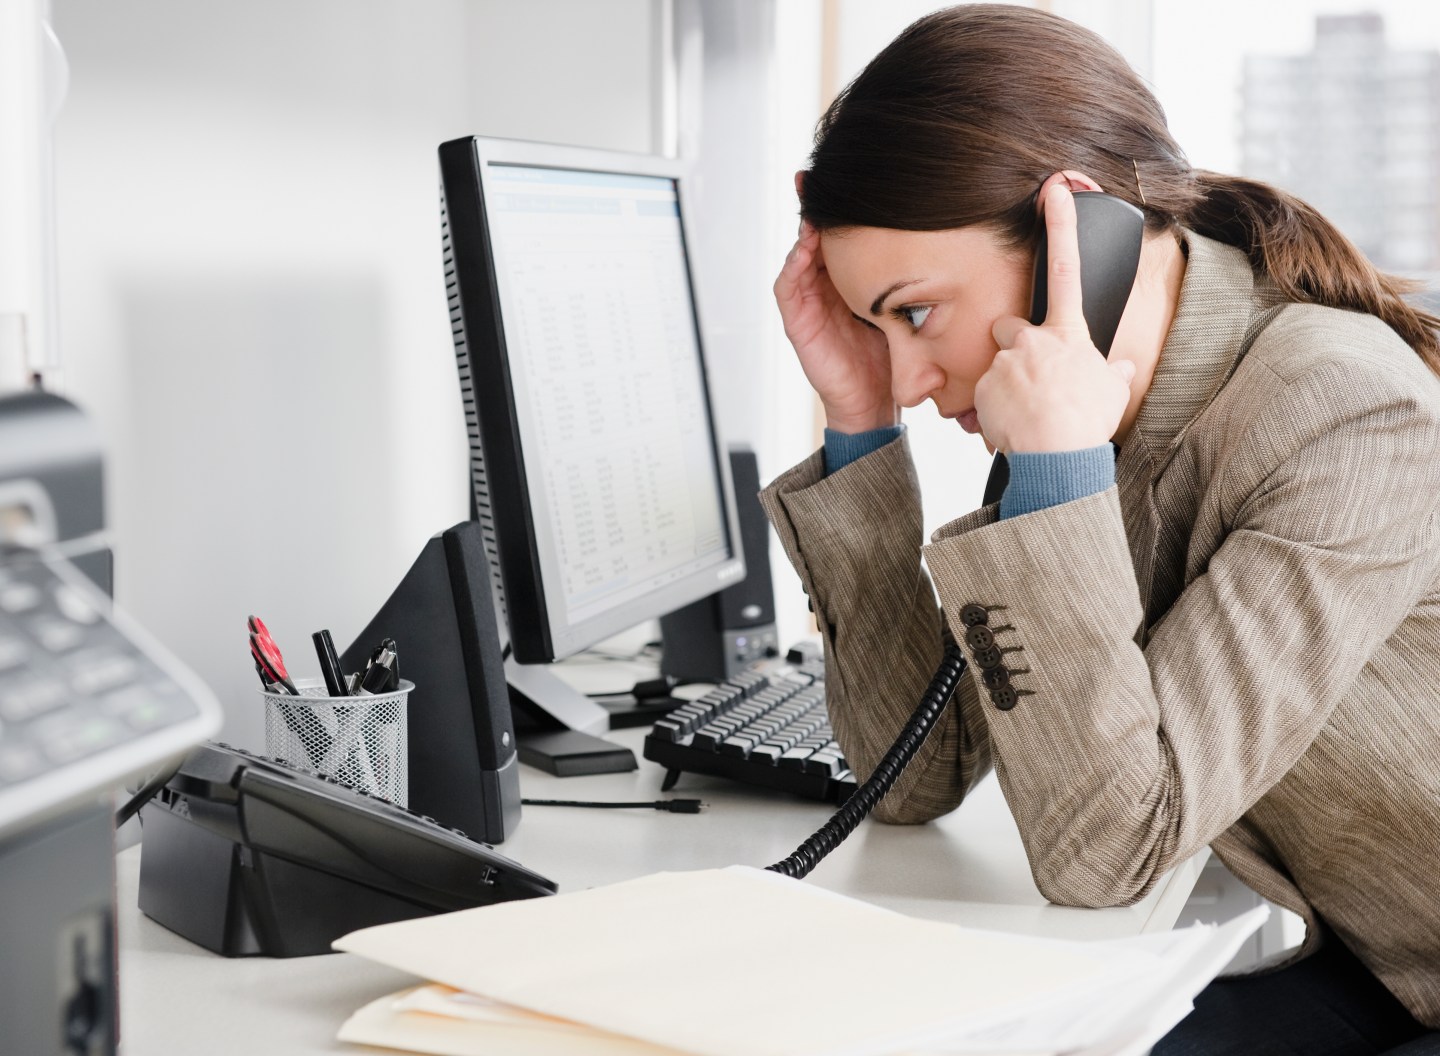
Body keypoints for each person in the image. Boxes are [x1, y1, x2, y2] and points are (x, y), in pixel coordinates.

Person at [761, 5, 1440, 1054]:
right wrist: (858, 425)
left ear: (1080, 235)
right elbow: (910, 778)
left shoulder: (1342, 414)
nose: (909, 378)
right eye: (870, 326)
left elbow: (1110, 850)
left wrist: (1061, 477)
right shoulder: (1097, 399)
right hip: (1372, 958)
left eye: (914, 313)